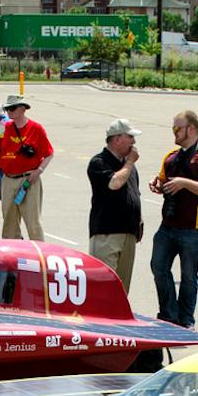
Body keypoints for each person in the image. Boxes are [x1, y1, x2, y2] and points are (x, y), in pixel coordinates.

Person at [148, 110, 198, 329]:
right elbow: (163, 181)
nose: (174, 131)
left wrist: (185, 183)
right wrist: (158, 186)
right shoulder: (171, 156)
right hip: (168, 224)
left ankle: (186, 319)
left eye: (177, 128)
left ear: (191, 129)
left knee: (188, 276)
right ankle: (169, 314)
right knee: (158, 267)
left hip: (194, 228)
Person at [86, 118, 144, 292]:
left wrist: (139, 222)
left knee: (121, 289)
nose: (134, 142)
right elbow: (114, 183)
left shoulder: (129, 167)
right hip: (107, 234)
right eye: (130, 137)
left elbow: (134, 194)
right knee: (103, 287)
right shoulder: (99, 162)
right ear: (117, 139)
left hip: (128, 233)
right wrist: (130, 163)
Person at [0, 96, 54, 240]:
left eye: (12, 108)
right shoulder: (5, 127)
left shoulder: (36, 128)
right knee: (9, 222)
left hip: (28, 179)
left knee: (33, 222)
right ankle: (12, 255)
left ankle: (39, 256)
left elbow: (49, 153)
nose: (9, 112)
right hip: (9, 179)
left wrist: (39, 171)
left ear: (22, 109)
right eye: (7, 109)